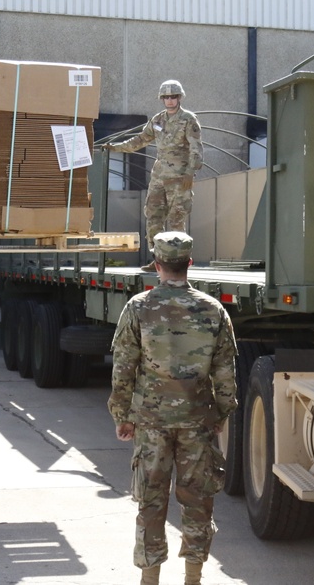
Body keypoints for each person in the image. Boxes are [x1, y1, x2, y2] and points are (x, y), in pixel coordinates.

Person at [108, 231, 237, 585]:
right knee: (197, 501)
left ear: (157, 265)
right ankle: (193, 578)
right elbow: (225, 372)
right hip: (198, 421)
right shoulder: (213, 310)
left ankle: (150, 579)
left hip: (151, 423)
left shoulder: (139, 307)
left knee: (151, 501)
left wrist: (123, 416)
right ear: (189, 263)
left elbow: (123, 367)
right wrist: (222, 415)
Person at [106, 80, 203, 272]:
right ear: (161, 99)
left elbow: (196, 147)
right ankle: (159, 260)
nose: (169, 100)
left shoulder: (188, 119)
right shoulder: (158, 120)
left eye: (173, 97)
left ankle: (178, 262)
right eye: (166, 97)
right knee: (153, 216)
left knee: (176, 219)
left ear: (179, 98)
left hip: (179, 177)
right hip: (159, 176)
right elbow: (141, 139)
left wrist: (191, 172)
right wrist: (116, 147)